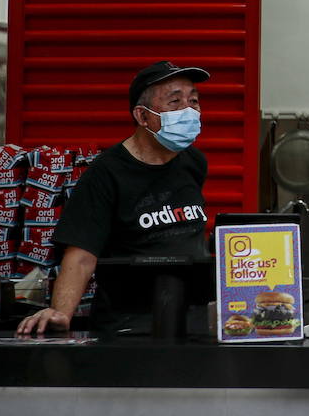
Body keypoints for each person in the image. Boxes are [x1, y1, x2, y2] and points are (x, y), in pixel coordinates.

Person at [16, 61, 211, 336]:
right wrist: (61, 313)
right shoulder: (105, 174)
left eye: (193, 101)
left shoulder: (194, 162)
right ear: (143, 117)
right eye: (175, 101)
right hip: (128, 328)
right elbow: (81, 255)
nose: (189, 111)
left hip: (191, 322)